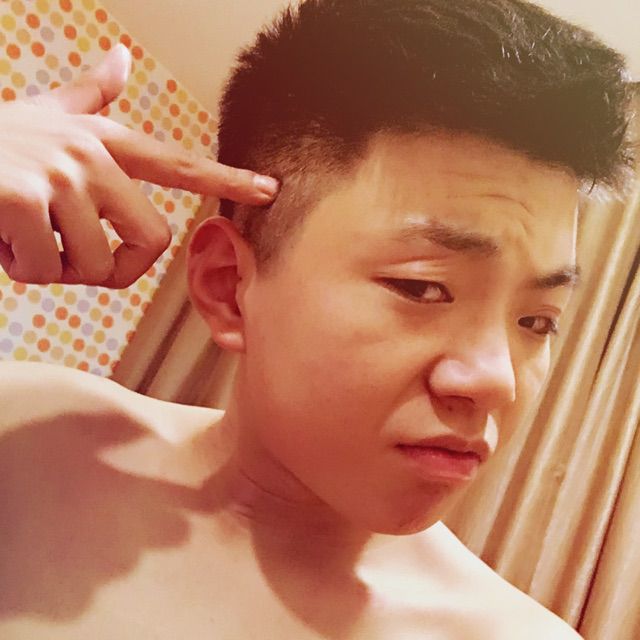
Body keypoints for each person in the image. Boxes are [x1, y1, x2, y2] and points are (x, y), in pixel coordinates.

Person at [0, 0, 634, 637]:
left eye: (537, 322)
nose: (498, 381)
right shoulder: (20, 443)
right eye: (423, 288)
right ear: (227, 286)